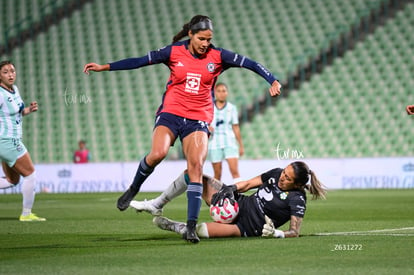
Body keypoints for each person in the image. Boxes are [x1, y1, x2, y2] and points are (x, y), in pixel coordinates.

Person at [83, 15, 281, 243]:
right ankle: (133, 188)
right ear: (190, 35)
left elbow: (252, 64)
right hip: (171, 112)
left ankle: (190, 227)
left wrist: (273, 81)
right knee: (158, 153)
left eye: (209, 39)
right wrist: (105, 67)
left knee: (195, 166)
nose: (206, 43)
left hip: (199, 117)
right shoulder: (173, 51)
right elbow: (138, 61)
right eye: (202, 38)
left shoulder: (218, 57)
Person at [130, 161, 326, 239]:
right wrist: (231, 189)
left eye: (288, 178)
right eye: (284, 172)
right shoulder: (275, 173)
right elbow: (248, 184)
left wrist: (277, 233)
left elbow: (295, 231)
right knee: (192, 174)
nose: (282, 177)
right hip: (237, 203)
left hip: (246, 227)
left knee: (201, 231)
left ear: (298, 184)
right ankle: (157, 205)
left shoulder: (297, 199)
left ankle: (175, 226)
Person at [0, 60, 46, 222]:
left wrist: (28, 110)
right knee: (30, 174)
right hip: (7, 140)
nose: (10, 74)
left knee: (13, 180)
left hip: (9, 140)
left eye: (12, 71)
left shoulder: (14, 90)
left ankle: (27, 214)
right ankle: (26, 214)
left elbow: (16, 114)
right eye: (5, 72)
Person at [208, 83, 244, 182]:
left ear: (227, 93)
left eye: (224, 91)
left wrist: (240, 145)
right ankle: (216, 196)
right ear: (215, 92)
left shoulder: (232, 108)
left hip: (230, 142)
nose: (221, 93)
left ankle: (238, 196)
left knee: (235, 172)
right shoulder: (209, 107)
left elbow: (235, 127)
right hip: (214, 143)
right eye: (219, 91)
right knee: (217, 174)